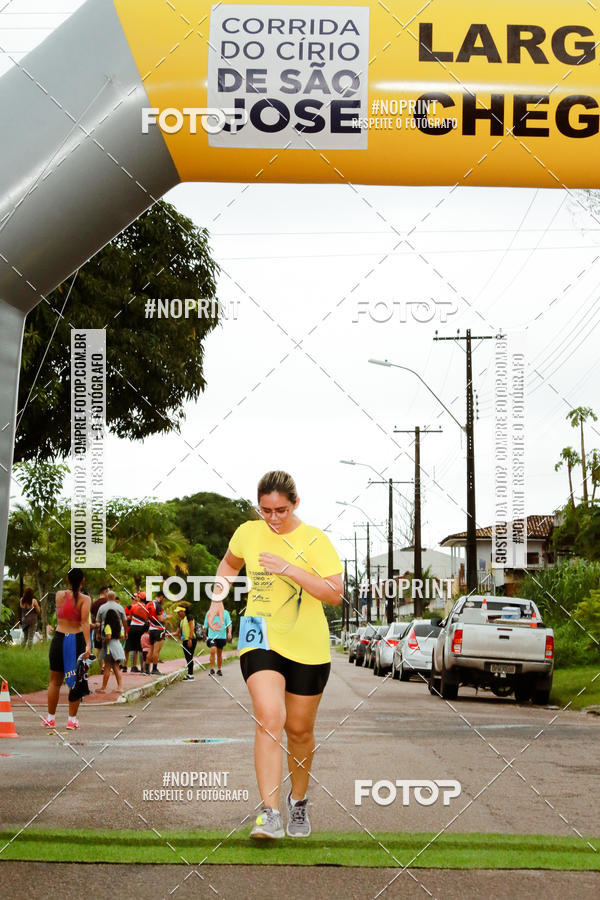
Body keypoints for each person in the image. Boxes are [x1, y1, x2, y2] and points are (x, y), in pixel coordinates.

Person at [207, 471, 343, 840]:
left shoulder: (315, 540)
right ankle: (269, 813)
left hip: (307, 643)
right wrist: (218, 599)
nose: (273, 518)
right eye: (265, 510)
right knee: (270, 716)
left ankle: (298, 802)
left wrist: (289, 568)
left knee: (299, 730)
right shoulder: (248, 533)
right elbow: (229, 565)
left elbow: (334, 593)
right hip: (259, 634)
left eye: (280, 510)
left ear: (296, 503)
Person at [43, 568, 91, 730]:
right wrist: (88, 645)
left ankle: (50, 718)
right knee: (76, 681)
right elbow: (84, 623)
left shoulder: (59, 595)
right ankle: (71, 720)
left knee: (54, 682)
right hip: (76, 639)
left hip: (60, 638)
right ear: (83, 581)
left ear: (67, 580)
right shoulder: (85, 599)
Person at [95, 608, 125, 694]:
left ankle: (103, 688)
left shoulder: (107, 626)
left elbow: (108, 636)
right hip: (118, 647)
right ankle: (120, 687)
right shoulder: (119, 626)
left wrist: (104, 642)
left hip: (109, 648)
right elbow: (122, 637)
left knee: (107, 667)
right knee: (116, 667)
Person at [203, 605, 231, 676]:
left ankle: (219, 669)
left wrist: (229, 632)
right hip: (212, 636)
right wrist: (204, 634)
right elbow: (206, 625)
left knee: (219, 654)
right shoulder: (209, 612)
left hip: (221, 637)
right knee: (212, 650)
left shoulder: (225, 613)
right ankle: (212, 669)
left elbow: (229, 624)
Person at [124, 592, 149, 673]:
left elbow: (130, 617)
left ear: (139, 598)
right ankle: (142, 668)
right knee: (141, 649)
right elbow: (146, 620)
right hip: (141, 629)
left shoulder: (133, 606)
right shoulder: (146, 607)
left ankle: (133, 667)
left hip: (132, 629)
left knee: (132, 648)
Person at [145, 592, 166, 675]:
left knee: (151, 650)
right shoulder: (158, 605)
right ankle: (154, 669)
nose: (164, 601)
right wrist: (166, 617)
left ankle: (146, 669)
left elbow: (146, 618)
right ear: (161, 597)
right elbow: (160, 619)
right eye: (164, 599)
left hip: (151, 629)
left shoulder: (149, 604)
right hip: (159, 630)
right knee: (156, 651)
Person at [175, 606, 197, 681]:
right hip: (185, 640)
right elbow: (177, 633)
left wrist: (190, 639)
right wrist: (167, 634)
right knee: (187, 657)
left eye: (179, 612)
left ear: (183, 611)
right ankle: (189, 674)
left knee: (189, 657)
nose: (178, 613)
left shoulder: (189, 617)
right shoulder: (181, 621)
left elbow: (192, 628)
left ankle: (191, 675)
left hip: (191, 640)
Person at [90, 586, 108, 672]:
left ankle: (101, 667)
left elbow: (93, 617)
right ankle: (106, 666)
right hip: (107, 627)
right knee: (107, 646)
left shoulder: (94, 604)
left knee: (98, 648)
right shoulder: (108, 602)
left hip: (96, 627)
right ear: (105, 591)